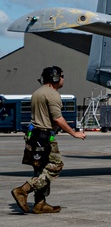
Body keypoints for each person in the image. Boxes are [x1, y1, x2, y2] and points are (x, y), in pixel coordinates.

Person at [11, 66, 87, 214]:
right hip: (45, 137)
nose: (63, 79)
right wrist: (74, 133)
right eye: (62, 76)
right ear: (55, 78)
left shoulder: (37, 93)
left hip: (33, 136)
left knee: (40, 169)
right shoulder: (52, 94)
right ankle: (23, 190)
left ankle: (40, 204)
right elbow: (57, 118)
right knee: (56, 165)